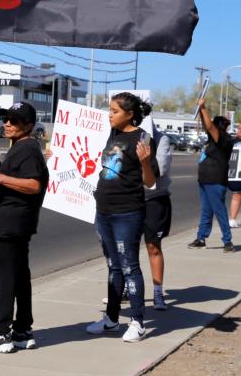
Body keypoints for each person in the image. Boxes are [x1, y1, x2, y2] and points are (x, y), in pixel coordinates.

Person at [0, 101, 48, 354]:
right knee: (19, 277)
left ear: (28, 125)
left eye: (14, 121)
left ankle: (0, 333)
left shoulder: (28, 149)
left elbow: (33, 185)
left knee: (7, 279)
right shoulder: (21, 147)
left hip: (11, 223)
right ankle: (22, 330)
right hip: (11, 222)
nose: (7, 123)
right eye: (6, 119)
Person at [85, 93, 158, 342]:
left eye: (114, 111)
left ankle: (137, 321)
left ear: (129, 114)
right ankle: (111, 320)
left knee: (130, 266)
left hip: (127, 212)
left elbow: (150, 182)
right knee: (113, 267)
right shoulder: (114, 133)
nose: (109, 114)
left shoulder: (143, 138)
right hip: (104, 210)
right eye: (109, 110)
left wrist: (145, 162)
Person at [188, 99, 234, 252]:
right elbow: (206, 124)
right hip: (205, 180)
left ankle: (227, 241)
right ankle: (201, 238)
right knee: (206, 211)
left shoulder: (224, 139)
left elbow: (209, 126)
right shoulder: (213, 141)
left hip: (215, 180)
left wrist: (204, 107)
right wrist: (201, 110)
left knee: (219, 210)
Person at [143, 118, 173, 311]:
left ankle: (157, 292)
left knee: (153, 246)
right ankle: (126, 289)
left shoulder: (161, 139)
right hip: (127, 200)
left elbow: (159, 170)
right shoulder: (117, 138)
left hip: (154, 199)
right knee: (124, 248)